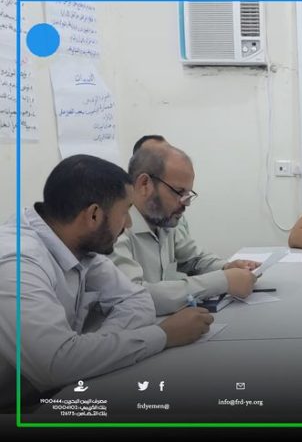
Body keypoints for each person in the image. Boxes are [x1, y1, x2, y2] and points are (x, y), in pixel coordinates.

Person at [0, 155, 213, 410]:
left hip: (53, 391)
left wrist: (87, 352)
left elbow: (137, 300)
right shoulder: (17, 260)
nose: (129, 224)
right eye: (125, 212)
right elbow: (55, 364)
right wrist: (163, 335)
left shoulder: (77, 243)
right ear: (94, 215)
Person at [109, 144, 260, 315]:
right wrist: (222, 281)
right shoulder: (114, 231)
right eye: (179, 192)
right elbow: (135, 297)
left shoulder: (163, 220)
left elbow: (194, 259)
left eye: (188, 194)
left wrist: (227, 267)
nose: (186, 203)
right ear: (145, 184)